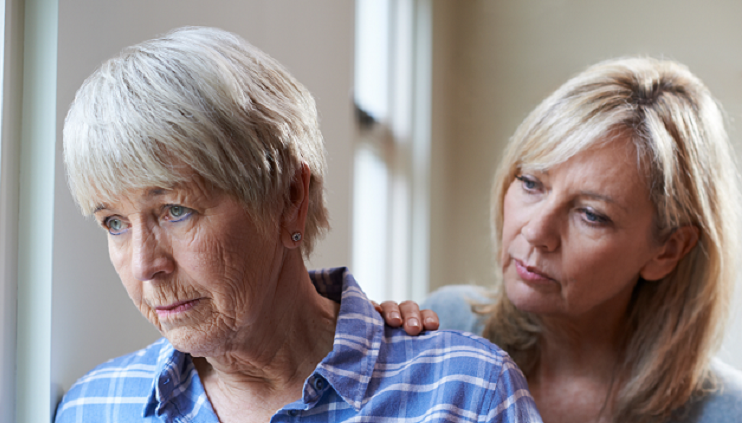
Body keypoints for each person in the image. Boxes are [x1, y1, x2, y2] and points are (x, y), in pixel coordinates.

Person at [53, 26, 541, 422]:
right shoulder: (93, 407)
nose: (144, 265)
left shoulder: (465, 395)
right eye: (114, 222)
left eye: (176, 210)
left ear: (290, 198)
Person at [377, 57, 742, 423]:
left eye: (591, 215)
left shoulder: (727, 412)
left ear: (667, 250)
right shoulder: (444, 323)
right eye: (531, 183)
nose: (536, 232)